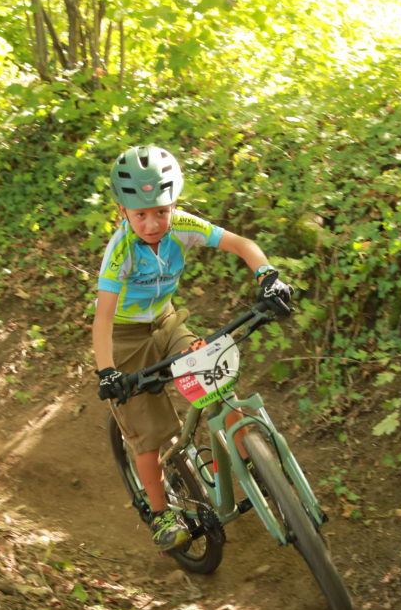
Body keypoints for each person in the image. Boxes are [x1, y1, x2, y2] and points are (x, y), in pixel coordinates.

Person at [93, 144, 292, 552]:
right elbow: (104, 319)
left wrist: (268, 276)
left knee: (214, 375)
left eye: (161, 211)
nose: (152, 223)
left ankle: (256, 464)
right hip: (126, 339)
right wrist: (107, 371)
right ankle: (161, 511)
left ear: (174, 204)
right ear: (122, 211)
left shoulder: (182, 226)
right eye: (140, 215)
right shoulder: (120, 251)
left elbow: (241, 244)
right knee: (148, 435)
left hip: (167, 322)